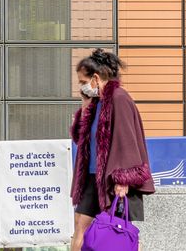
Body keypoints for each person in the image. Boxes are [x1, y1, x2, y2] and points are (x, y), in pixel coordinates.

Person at [70, 49, 154, 250]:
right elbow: (81, 139)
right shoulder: (96, 102)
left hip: (112, 179)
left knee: (117, 231)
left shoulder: (119, 98)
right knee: (80, 225)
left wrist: (123, 179)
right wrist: (85, 107)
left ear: (96, 78)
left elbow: (127, 140)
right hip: (92, 177)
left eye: (83, 82)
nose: (81, 87)